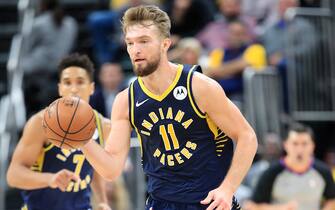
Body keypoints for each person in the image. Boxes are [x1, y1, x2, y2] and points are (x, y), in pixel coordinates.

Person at [79, 5, 257, 210]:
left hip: (208, 202)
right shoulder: (125, 100)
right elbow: (111, 169)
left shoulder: (199, 86)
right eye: (130, 43)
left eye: (144, 41)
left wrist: (227, 188)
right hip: (160, 203)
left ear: (165, 44)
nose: (136, 50)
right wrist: (82, 139)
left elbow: (247, 136)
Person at [7, 54, 111, 210]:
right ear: (60, 88)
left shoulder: (104, 126)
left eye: (80, 82)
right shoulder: (41, 123)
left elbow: (95, 171)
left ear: (92, 88)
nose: (74, 89)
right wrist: (51, 179)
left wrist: (103, 201)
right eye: (67, 82)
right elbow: (13, 176)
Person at [244, 123, 335, 210]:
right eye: (295, 143)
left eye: (304, 144)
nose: (300, 149)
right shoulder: (271, 172)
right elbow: (250, 206)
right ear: (286, 145)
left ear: (312, 146)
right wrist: (280, 208)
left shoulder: (323, 171)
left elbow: (332, 199)